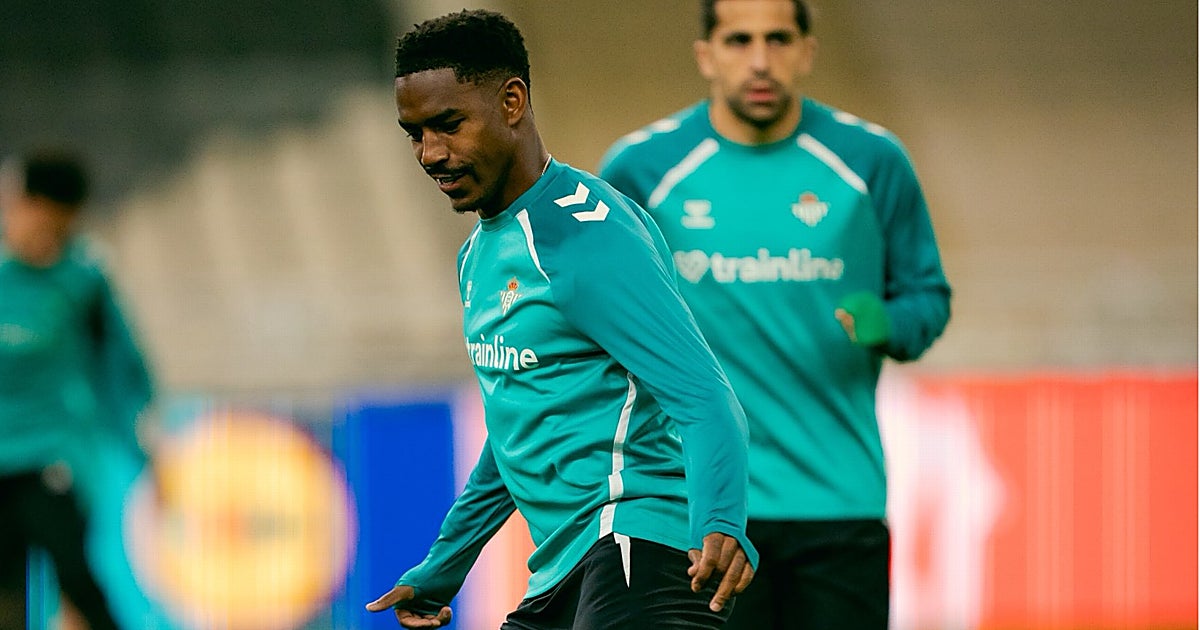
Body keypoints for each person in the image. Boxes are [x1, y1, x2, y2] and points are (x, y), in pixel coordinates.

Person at [365, 9, 757, 630]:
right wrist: (444, 565)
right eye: (415, 133)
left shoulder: (586, 235)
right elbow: (519, 427)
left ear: (512, 102)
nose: (431, 153)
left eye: (449, 125)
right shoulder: (477, 256)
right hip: (565, 568)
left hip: (638, 549)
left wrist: (720, 524)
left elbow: (704, 396)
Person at [598, 1, 953, 628]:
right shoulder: (641, 170)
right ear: (706, 55)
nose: (760, 61)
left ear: (807, 51)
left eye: (779, 39)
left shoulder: (871, 161)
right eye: (739, 41)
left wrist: (891, 324)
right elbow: (602, 317)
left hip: (838, 506)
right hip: (702, 510)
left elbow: (927, 295)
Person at [0, 150, 156, 630]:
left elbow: (122, 367)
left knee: (75, 574)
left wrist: (143, 436)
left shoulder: (83, 279)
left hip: (52, 454)